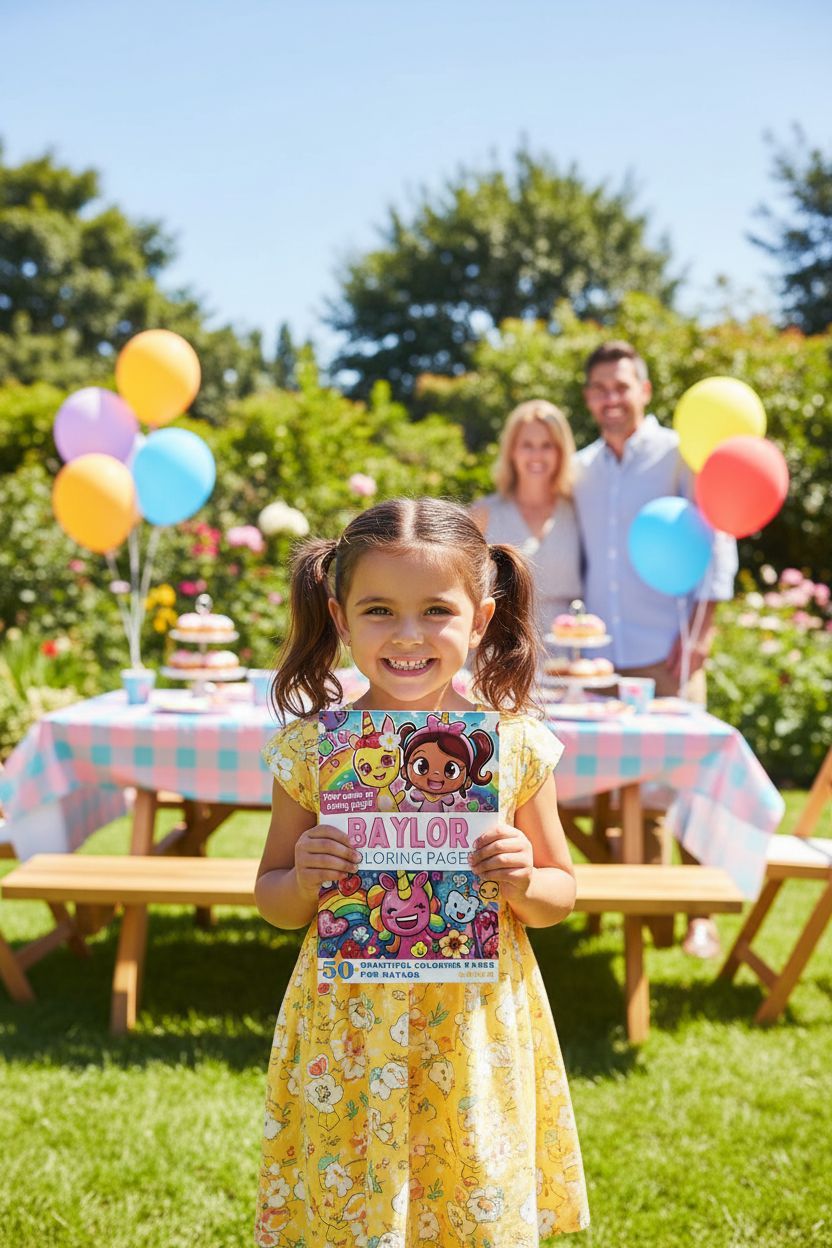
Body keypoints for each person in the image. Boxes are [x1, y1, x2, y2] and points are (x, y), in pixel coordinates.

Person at [254, 497, 590, 1246]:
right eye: (379, 610)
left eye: (436, 610)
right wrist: (303, 879)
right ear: (340, 618)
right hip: (347, 1032)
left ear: (480, 618)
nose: (407, 636)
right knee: (349, 1205)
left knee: (467, 1199)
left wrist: (525, 878)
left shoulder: (516, 746)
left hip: (471, 1030)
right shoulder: (314, 752)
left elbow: (561, 895)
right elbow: (272, 897)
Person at [573, 341, 738, 957]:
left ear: (644, 389)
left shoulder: (677, 454)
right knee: (629, 790)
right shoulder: (581, 467)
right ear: (588, 397)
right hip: (601, 658)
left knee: (690, 782)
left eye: (622, 386)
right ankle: (652, 908)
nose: (611, 399)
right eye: (599, 389)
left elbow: (716, 538)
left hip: (670, 650)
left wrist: (704, 634)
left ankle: (702, 913)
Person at [471, 399, 582, 637]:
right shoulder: (482, 514)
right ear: (512, 450)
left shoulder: (578, 511)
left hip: (567, 658)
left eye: (547, 445)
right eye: (527, 445)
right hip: (499, 655)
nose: (537, 455)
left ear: (561, 451)